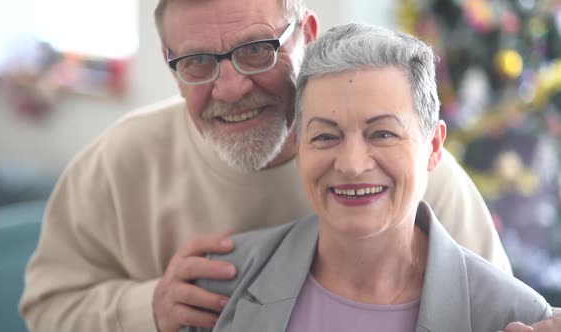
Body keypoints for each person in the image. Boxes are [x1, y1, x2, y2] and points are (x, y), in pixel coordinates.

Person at [18, 0, 560, 331]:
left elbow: (496, 310)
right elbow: (43, 310)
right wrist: (147, 311)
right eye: (198, 63)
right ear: (170, 66)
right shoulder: (119, 163)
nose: (230, 87)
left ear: (306, 35)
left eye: (256, 49)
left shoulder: (421, 182)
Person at [181, 23, 552, 332]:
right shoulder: (217, 287)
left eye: (383, 134)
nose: (352, 165)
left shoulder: (514, 314)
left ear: (434, 146)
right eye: (326, 136)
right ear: (299, 148)